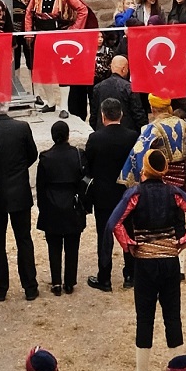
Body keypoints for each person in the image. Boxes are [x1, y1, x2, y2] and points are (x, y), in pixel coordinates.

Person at [109, 150, 186, 371]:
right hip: (169, 260)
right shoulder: (174, 193)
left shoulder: (134, 194)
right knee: (172, 315)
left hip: (144, 262)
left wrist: (128, 243)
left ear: (145, 169)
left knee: (144, 317)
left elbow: (115, 222)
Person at [0, 105, 40, 302]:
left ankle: (0, 288)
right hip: (19, 191)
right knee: (23, 239)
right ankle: (30, 287)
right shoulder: (22, 127)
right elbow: (32, 154)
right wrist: (19, 169)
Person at [83, 99, 133, 293]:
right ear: (121, 114)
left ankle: (104, 278)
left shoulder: (95, 138)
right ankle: (130, 274)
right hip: (126, 194)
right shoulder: (132, 136)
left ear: (103, 116)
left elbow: (88, 165)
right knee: (128, 233)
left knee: (104, 236)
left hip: (103, 195)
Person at [34, 120, 88, 295]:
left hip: (51, 205)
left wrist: (42, 208)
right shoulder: (77, 154)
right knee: (73, 245)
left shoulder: (45, 157)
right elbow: (83, 180)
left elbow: (40, 186)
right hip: (72, 203)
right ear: (67, 136)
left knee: (54, 246)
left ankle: (56, 281)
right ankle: (70, 282)